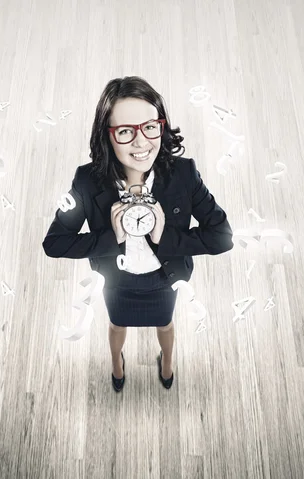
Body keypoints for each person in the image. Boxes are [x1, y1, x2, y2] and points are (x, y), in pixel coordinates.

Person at [43, 76, 233, 392]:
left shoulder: (183, 174)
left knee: (166, 323)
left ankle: (167, 362)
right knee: (117, 323)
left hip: (165, 278)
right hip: (117, 281)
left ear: (162, 125)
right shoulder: (87, 182)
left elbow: (222, 236)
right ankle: (117, 364)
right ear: (107, 136)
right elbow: (54, 243)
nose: (142, 142)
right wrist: (110, 237)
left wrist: (164, 237)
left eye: (150, 126)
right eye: (126, 131)